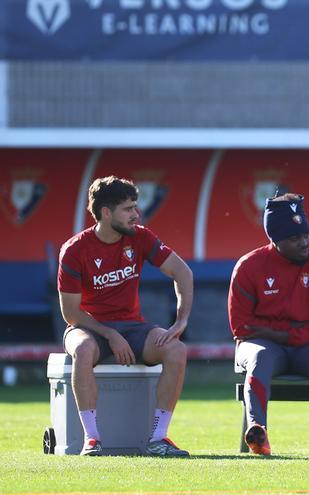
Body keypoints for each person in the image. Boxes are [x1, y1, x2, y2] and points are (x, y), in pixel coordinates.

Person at [58, 176, 192, 456]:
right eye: (128, 209)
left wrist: (181, 320)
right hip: (87, 328)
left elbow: (182, 272)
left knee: (176, 350)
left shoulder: (140, 236)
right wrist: (110, 334)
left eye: (135, 207)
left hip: (133, 328)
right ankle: (91, 439)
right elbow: (70, 313)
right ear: (106, 212)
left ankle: (158, 439)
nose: (136, 214)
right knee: (83, 349)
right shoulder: (74, 250)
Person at [228, 193, 309, 456]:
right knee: (260, 356)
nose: (304, 242)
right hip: (262, 346)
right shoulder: (249, 266)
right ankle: (257, 431)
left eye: (306, 235)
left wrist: (281, 334)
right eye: (294, 238)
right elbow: (241, 327)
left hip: (306, 347)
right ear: (275, 240)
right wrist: (283, 334)